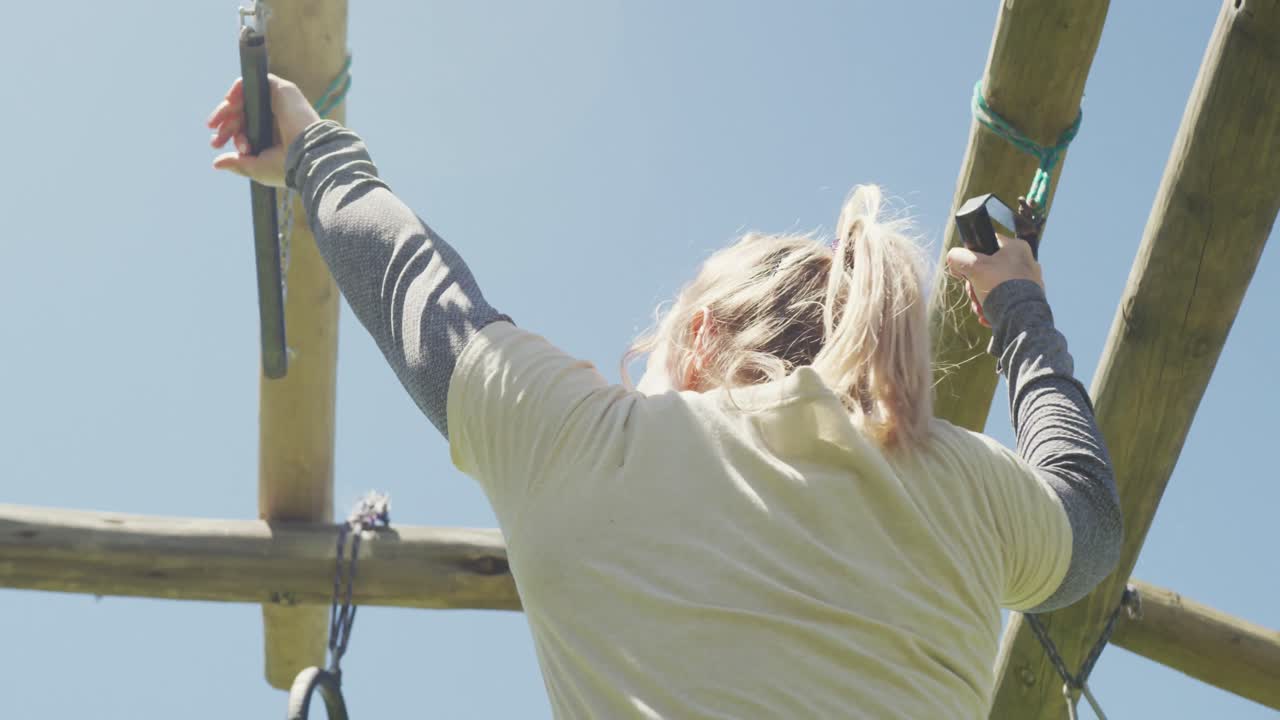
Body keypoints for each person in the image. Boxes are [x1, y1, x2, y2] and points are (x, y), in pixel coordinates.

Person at [208, 75, 1122, 719]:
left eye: (652, 346)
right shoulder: (964, 486)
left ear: (703, 340)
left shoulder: (590, 447)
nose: (631, 371)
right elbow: (1088, 516)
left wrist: (309, 147)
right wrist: (1018, 307)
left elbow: (415, 287)